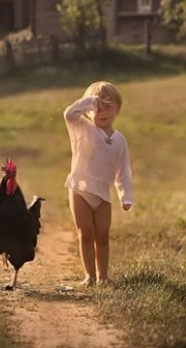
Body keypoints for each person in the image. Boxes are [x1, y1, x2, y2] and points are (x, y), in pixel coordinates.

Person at [63, 81, 134, 286]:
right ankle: (89, 276)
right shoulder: (82, 128)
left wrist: (126, 196)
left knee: (102, 236)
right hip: (80, 190)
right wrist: (91, 101)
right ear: (89, 110)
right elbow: (69, 113)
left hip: (103, 195)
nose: (101, 112)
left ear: (118, 110)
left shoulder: (120, 140)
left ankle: (103, 277)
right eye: (97, 107)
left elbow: (124, 171)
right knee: (86, 232)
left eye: (107, 107)